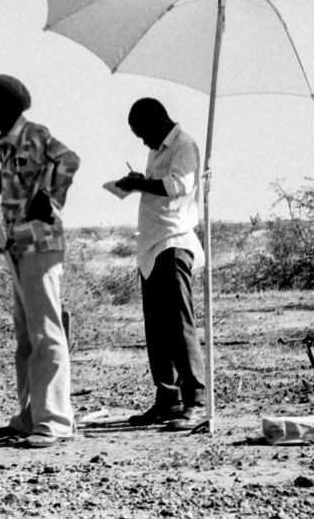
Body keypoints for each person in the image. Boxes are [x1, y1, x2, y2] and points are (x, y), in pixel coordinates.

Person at [0, 74, 80, 448]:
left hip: (40, 244)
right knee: (27, 337)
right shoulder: (7, 145)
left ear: (7, 106)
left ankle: (55, 421)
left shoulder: (33, 134)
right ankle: (32, 415)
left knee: (45, 332)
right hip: (18, 246)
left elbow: (69, 159)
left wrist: (50, 198)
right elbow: (4, 187)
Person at [114, 98, 206, 431]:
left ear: (157, 122)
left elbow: (178, 186)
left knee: (179, 326)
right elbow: (160, 187)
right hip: (151, 247)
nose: (143, 142)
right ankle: (168, 399)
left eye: (142, 134)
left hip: (173, 242)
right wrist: (141, 179)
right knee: (157, 329)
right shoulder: (158, 149)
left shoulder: (183, 145)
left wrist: (138, 184)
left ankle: (196, 401)